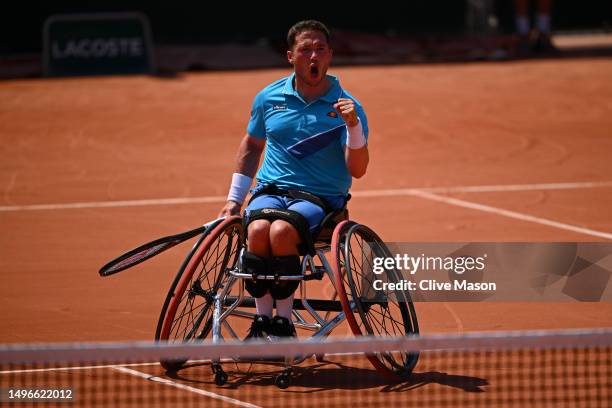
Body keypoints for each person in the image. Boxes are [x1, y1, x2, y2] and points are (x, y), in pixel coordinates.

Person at [218, 20, 369, 341]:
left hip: (320, 199)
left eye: (320, 50)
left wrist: (353, 126)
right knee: (257, 229)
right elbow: (252, 146)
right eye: (305, 50)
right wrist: (234, 199)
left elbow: (357, 169)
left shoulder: (348, 107)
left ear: (330, 55)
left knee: (282, 231)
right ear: (291, 56)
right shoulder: (268, 98)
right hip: (271, 191)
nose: (313, 57)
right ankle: (262, 324)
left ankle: (283, 325)